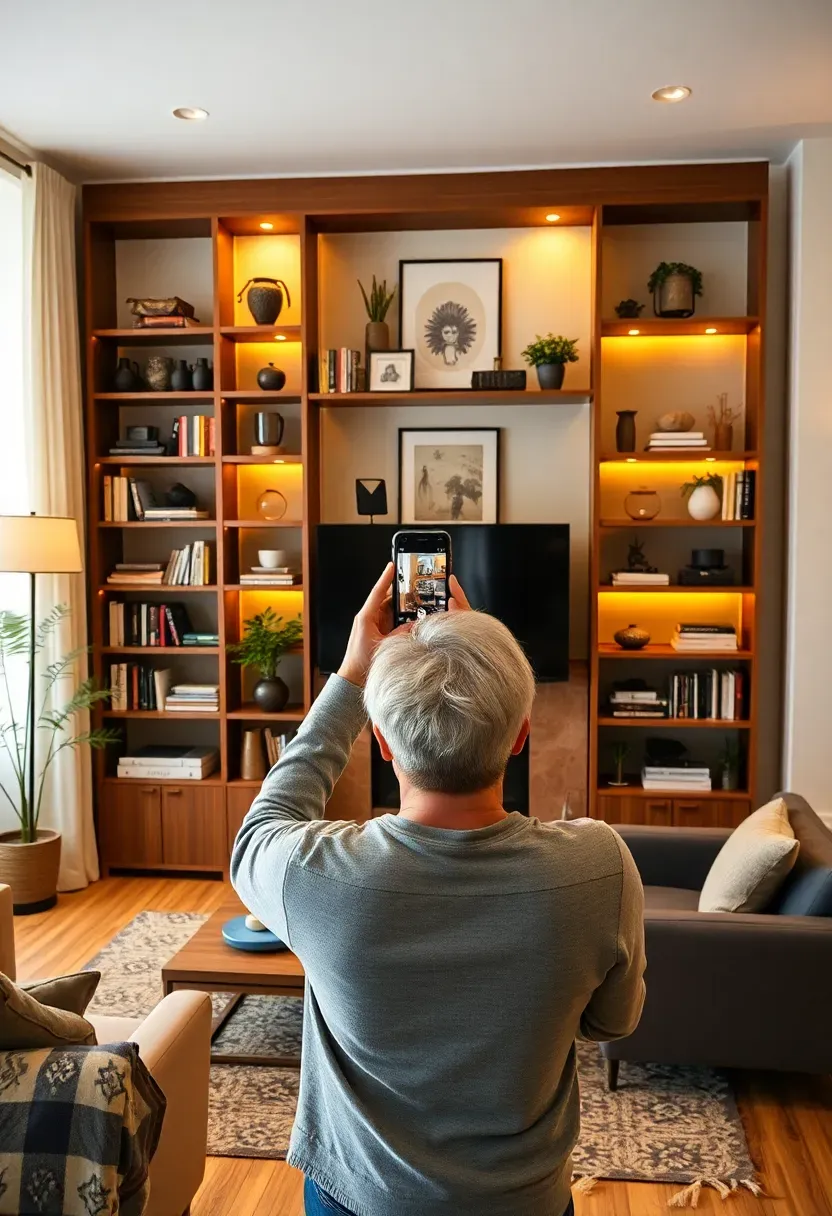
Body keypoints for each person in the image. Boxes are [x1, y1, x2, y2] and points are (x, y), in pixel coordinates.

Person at [231, 565, 646, 1216]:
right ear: (519, 735)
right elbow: (610, 1023)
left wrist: (351, 675)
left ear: (382, 745)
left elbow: (261, 826)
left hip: (358, 1200)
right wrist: (472, 652)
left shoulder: (313, 874)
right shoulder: (601, 867)